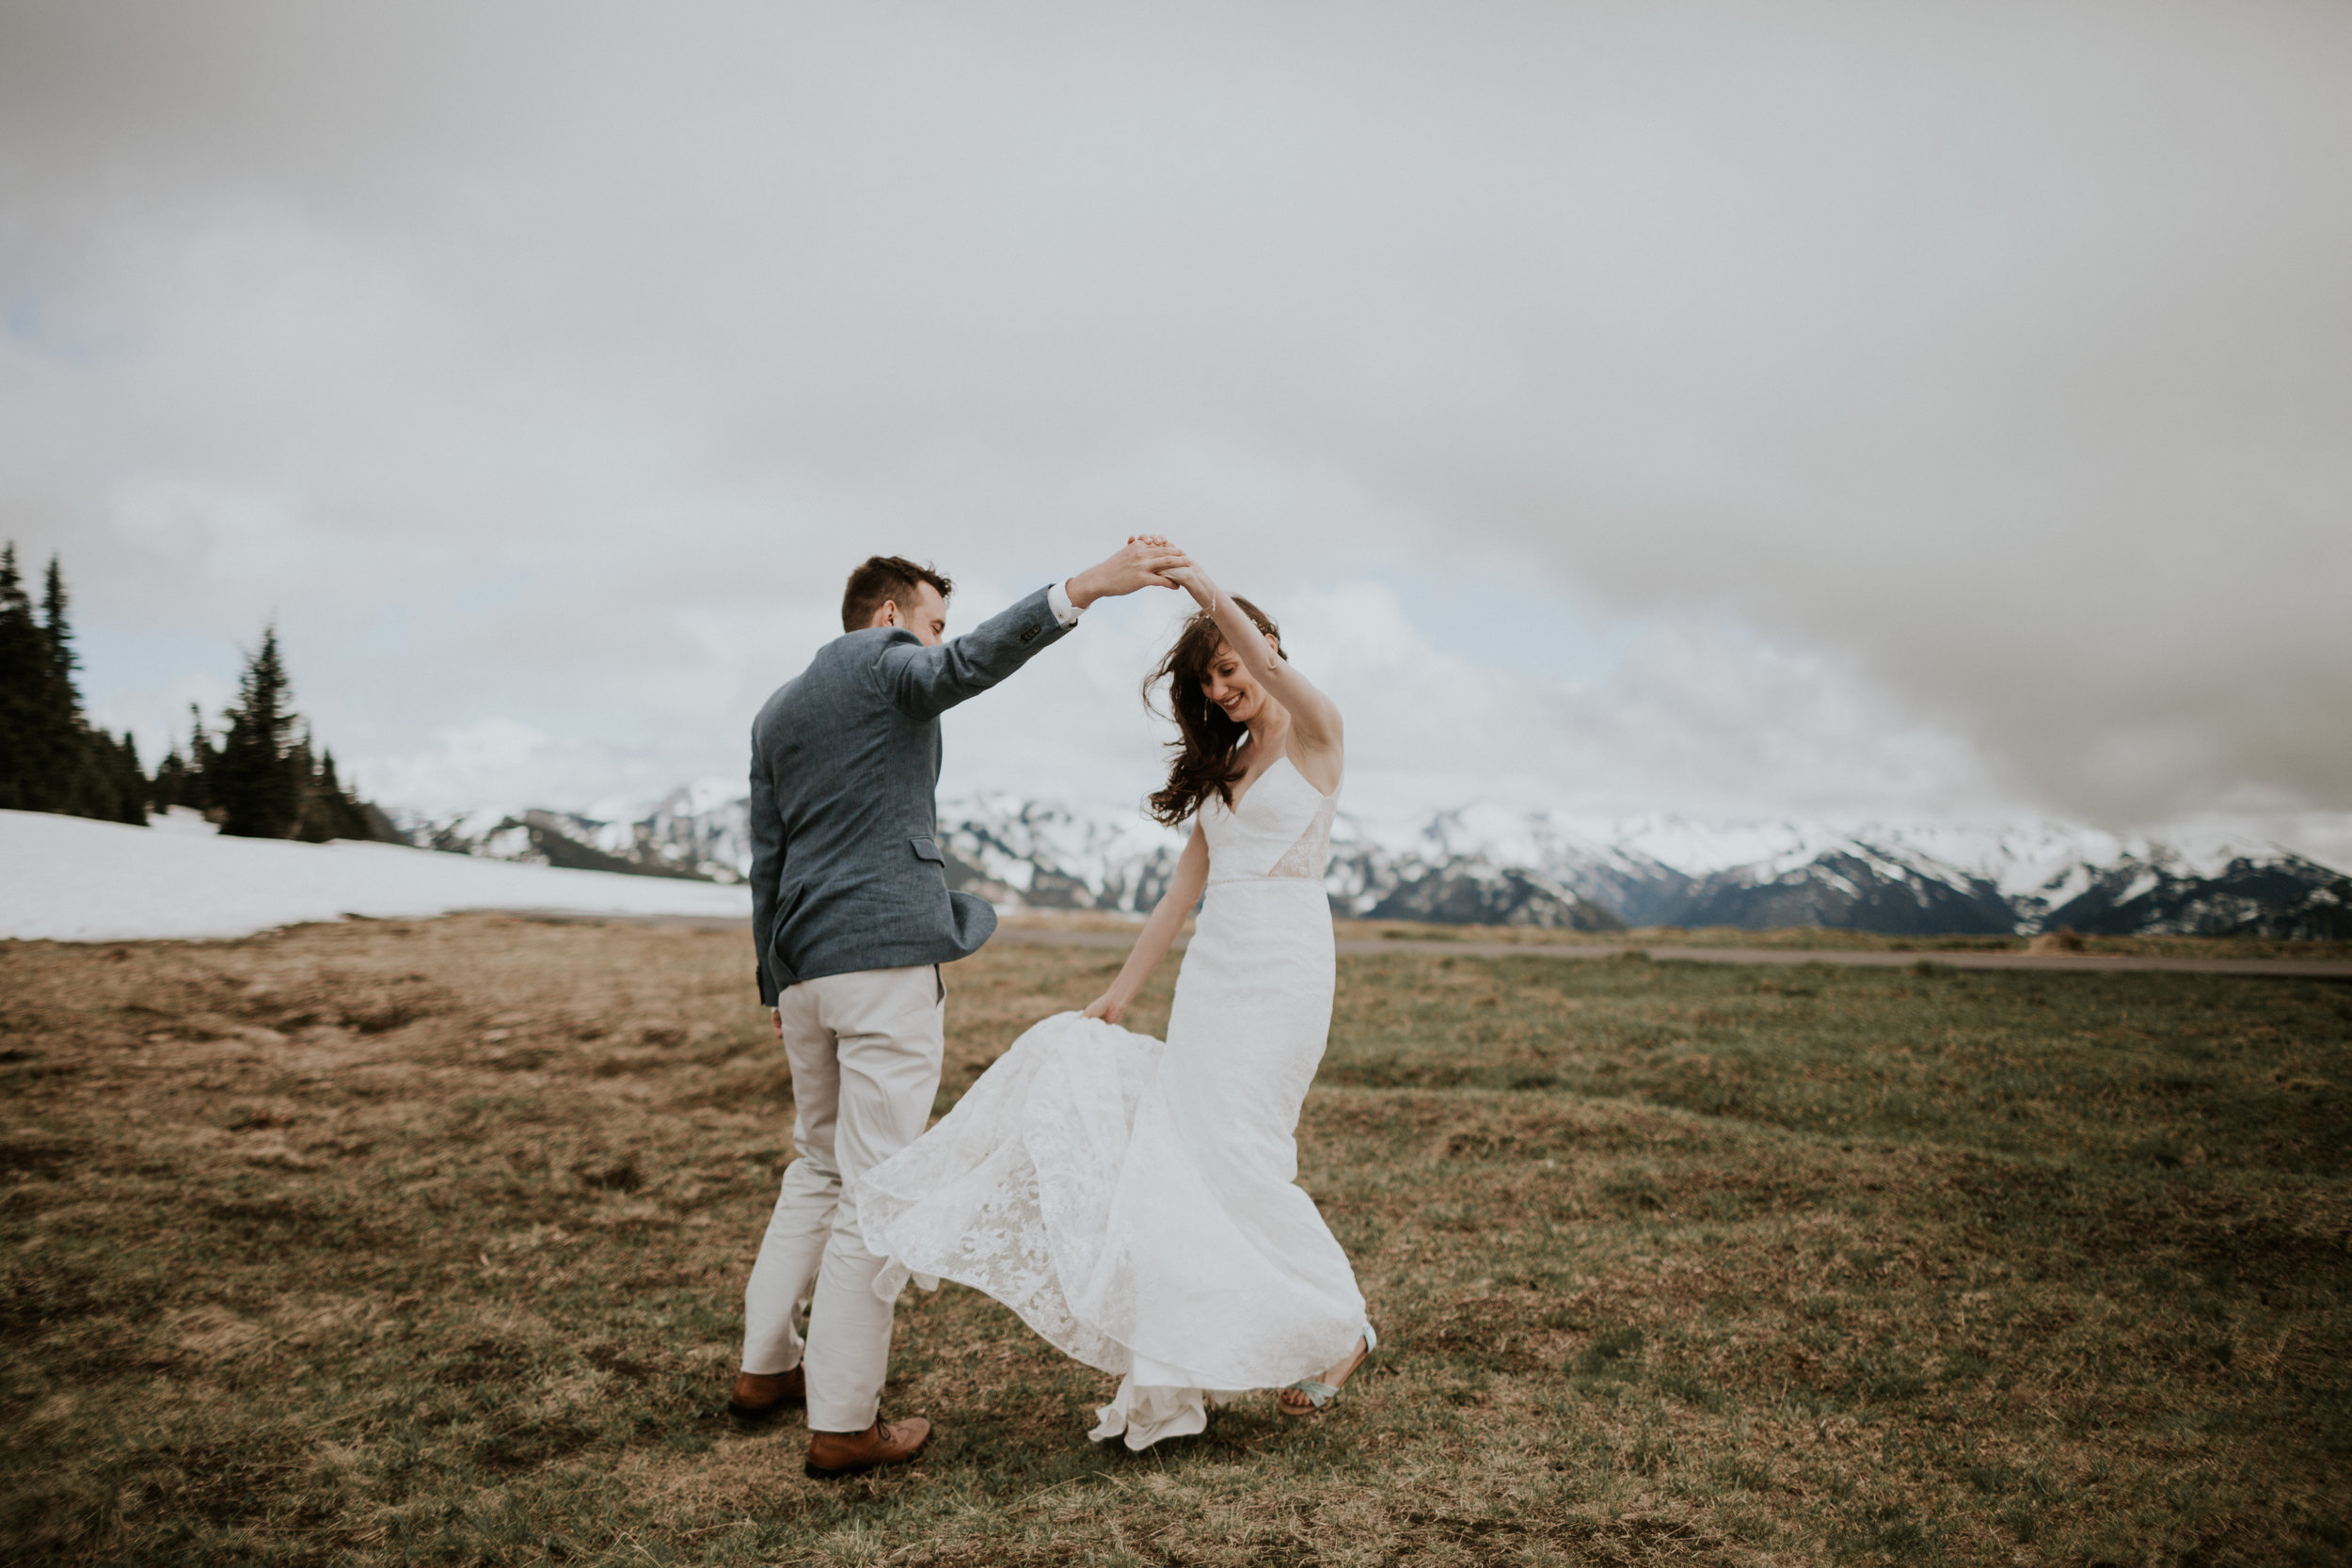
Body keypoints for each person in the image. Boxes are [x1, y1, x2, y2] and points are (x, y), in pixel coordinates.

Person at [857, 546, 1375, 1449]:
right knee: (1190, 1153)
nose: (1223, 688)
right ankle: (1187, 1353)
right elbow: (1181, 897)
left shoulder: (1321, 736)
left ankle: (1340, 1325)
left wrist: (1205, 589)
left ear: (1265, 650)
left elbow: (1276, 668)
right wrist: (1118, 995)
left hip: (1286, 973)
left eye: (1231, 667)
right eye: (1209, 678)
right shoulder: (1227, 769)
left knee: (1249, 1154)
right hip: (1216, 978)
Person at [731, 540, 1190, 1481]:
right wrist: (1086, 588)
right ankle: (843, 1421)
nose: (935, 639)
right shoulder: (890, 664)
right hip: (884, 963)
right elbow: (968, 663)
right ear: (891, 614)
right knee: (876, 1188)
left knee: (815, 1167)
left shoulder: (776, 710)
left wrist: (772, 979)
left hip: (806, 969)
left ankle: (762, 1367)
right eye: (931, 620)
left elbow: (766, 861)